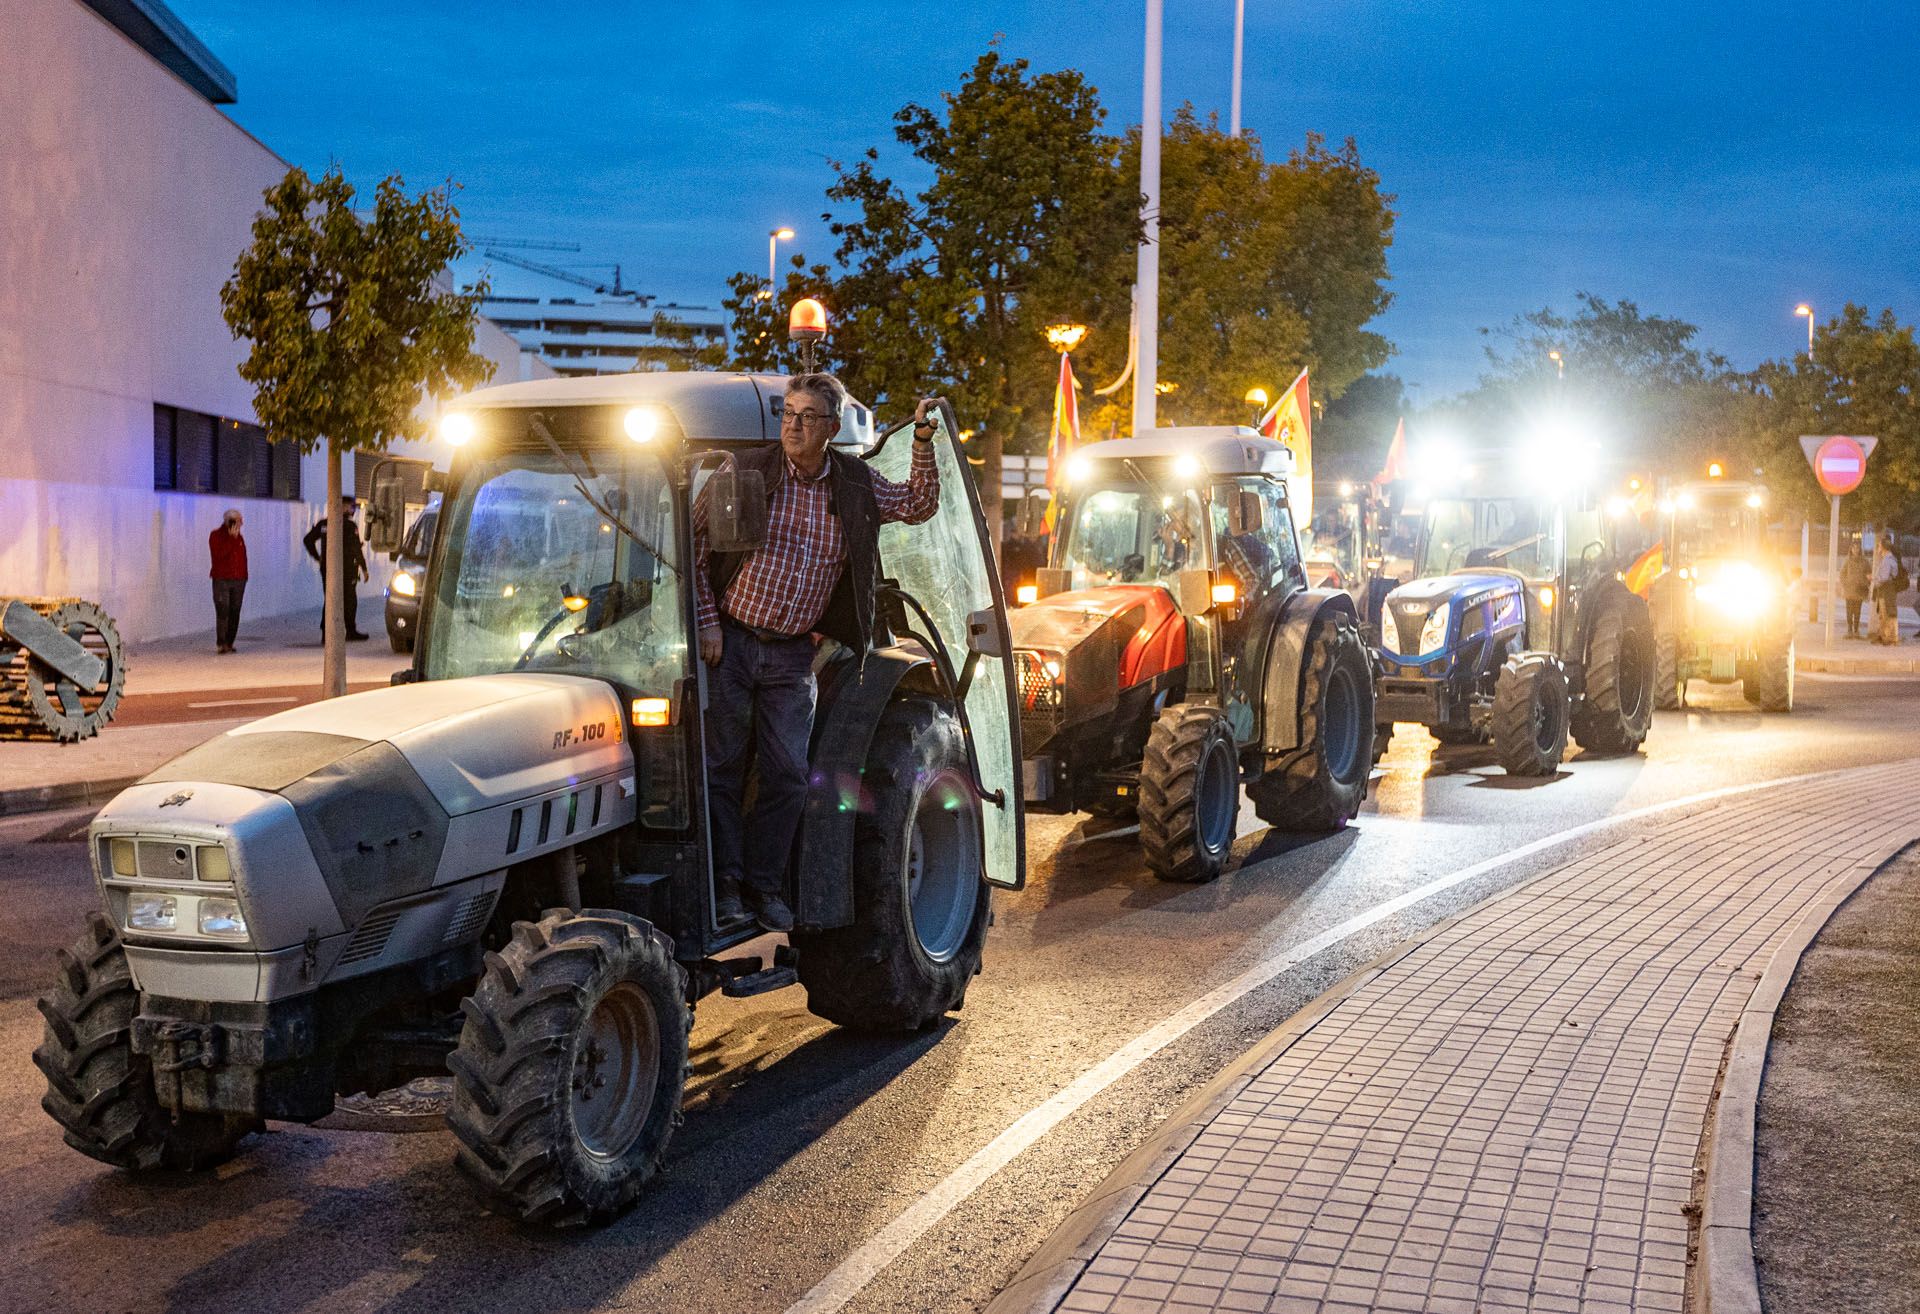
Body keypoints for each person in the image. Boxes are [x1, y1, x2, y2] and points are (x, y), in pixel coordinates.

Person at [693, 375, 942, 932]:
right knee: (722, 767)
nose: (795, 426)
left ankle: (764, 885)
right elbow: (694, 543)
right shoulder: (748, 471)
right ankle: (728, 887)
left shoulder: (854, 484)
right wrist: (708, 624)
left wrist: (922, 440)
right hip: (730, 643)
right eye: (789, 414)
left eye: (809, 417)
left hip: (791, 655)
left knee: (787, 775)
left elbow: (920, 503)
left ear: (832, 428)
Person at [302, 496, 371, 641]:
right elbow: (356, 549)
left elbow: (307, 540)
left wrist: (318, 557)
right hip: (347, 569)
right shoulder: (349, 526)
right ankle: (350, 631)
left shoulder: (324, 524)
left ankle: (326, 634)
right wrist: (364, 568)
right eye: (351, 507)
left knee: (331, 599)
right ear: (343, 507)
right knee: (350, 600)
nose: (352, 510)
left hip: (327, 569)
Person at [208, 509, 248, 654]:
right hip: (222, 579)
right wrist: (231, 539)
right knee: (223, 609)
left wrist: (244, 575)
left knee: (235, 611)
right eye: (238, 520)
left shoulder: (240, 538)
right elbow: (219, 555)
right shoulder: (216, 536)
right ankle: (221, 642)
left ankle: (230, 642)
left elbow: (242, 558)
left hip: (239, 579)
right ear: (230, 521)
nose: (241, 523)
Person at [1870, 540, 1901, 645]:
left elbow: (1883, 577)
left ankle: (1889, 638)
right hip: (1888, 589)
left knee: (1887, 613)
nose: (1878, 549)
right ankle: (1884, 636)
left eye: (1879, 546)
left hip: (1886, 589)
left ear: (1883, 548)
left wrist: (1873, 578)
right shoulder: (1890, 558)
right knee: (1885, 613)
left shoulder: (1887, 560)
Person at [1840, 542, 1871, 639]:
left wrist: (1866, 583)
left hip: (1860, 589)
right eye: (1854, 548)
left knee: (1857, 611)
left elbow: (1869, 573)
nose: (1856, 550)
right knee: (1849, 611)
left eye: (1857, 548)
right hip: (1849, 590)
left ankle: (1856, 630)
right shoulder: (1847, 561)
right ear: (1851, 549)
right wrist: (1845, 583)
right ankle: (1849, 630)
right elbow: (1842, 574)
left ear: (1860, 549)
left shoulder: (1865, 561)